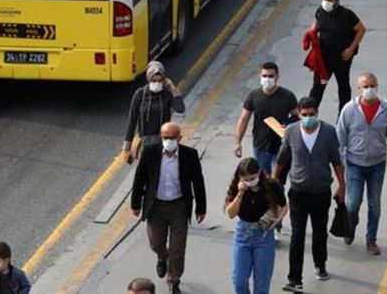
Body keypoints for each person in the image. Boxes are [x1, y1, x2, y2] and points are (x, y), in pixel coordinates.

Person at [273, 97, 345, 293]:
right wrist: (273, 182)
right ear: (298, 113)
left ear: (317, 113)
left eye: (311, 115)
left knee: (319, 232)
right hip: (298, 192)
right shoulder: (291, 131)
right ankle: (294, 278)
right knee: (297, 234)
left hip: (321, 192)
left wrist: (342, 186)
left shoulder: (329, 132)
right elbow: (281, 158)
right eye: (304, 115)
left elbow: (336, 161)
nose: (308, 118)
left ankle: (320, 265)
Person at [130, 122, 207, 294]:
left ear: (179, 138)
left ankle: (174, 280)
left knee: (177, 248)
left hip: (179, 206)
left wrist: (201, 208)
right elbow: (139, 179)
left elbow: (198, 182)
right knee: (156, 243)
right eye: (165, 137)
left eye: (172, 138)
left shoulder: (190, 155)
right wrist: (135, 204)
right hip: (156, 206)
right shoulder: (150, 152)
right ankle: (161, 256)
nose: (169, 141)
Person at [336, 72, 387, 255]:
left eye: (372, 86)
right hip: (354, 164)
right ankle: (350, 228)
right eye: (365, 86)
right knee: (353, 202)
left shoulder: (386, 109)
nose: (369, 90)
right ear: (359, 89)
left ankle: (371, 240)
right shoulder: (349, 110)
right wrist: (338, 163)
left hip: (377, 164)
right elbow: (340, 136)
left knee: (374, 204)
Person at [225, 158, 289, 294]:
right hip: (243, 233)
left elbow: (284, 206)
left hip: (264, 236)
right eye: (245, 179)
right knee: (239, 282)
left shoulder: (271, 185)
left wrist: (277, 219)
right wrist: (240, 193)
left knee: (261, 286)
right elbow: (230, 213)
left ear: (259, 173)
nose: (249, 182)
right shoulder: (237, 186)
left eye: (252, 178)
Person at [306, 0, 366, 117]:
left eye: (329, 0)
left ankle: (343, 117)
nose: (326, 2)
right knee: (318, 86)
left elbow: (361, 30)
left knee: (343, 86)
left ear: (337, 1)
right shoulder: (320, 11)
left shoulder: (347, 15)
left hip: (342, 58)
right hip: (324, 59)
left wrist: (351, 49)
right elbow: (316, 24)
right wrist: (311, 33)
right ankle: (309, 114)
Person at [234, 62, 298, 172]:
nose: (267, 79)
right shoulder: (253, 96)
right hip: (260, 147)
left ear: (277, 77)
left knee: (277, 183)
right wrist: (237, 142)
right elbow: (244, 119)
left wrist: (287, 124)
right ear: (260, 76)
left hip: (281, 147)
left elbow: (297, 117)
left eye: (271, 76)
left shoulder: (287, 96)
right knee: (264, 182)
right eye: (264, 76)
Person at [123, 61, 185, 164]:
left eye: (160, 81)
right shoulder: (140, 94)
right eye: (154, 80)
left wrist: (173, 88)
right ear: (148, 79)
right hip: (146, 144)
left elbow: (180, 108)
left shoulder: (167, 94)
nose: (157, 83)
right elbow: (132, 120)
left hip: (164, 142)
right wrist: (126, 148)